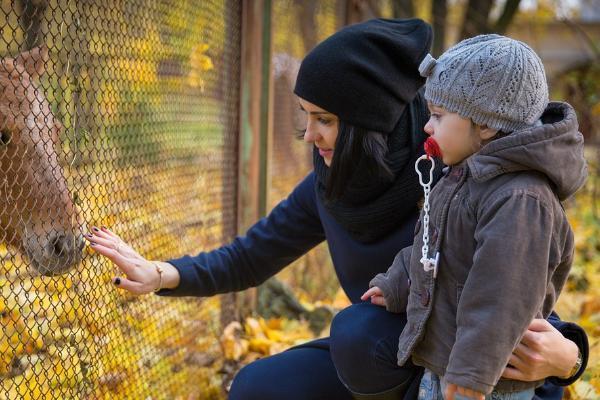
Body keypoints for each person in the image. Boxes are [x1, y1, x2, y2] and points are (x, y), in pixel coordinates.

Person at [85, 19, 588, 400]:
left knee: (357, 331)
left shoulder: (459, 165)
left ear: (370, 122)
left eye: (324, 119)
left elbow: (511, 288)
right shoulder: (333, 183)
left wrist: (570, 357)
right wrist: (160, 273)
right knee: (257, 387)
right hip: (394, 362)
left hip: (482, 375)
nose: (309, 135)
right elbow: (249, 256)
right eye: (305, 117)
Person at [363, 35, 588, 400]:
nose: (427, 127)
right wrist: (398, 281)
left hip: (490, 381)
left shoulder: (520, 198)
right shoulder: (465, 175)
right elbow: (435, 248)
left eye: (438, 116)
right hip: (446, 365)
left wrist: (472, 374)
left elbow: (501, 297)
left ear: (485, 124)